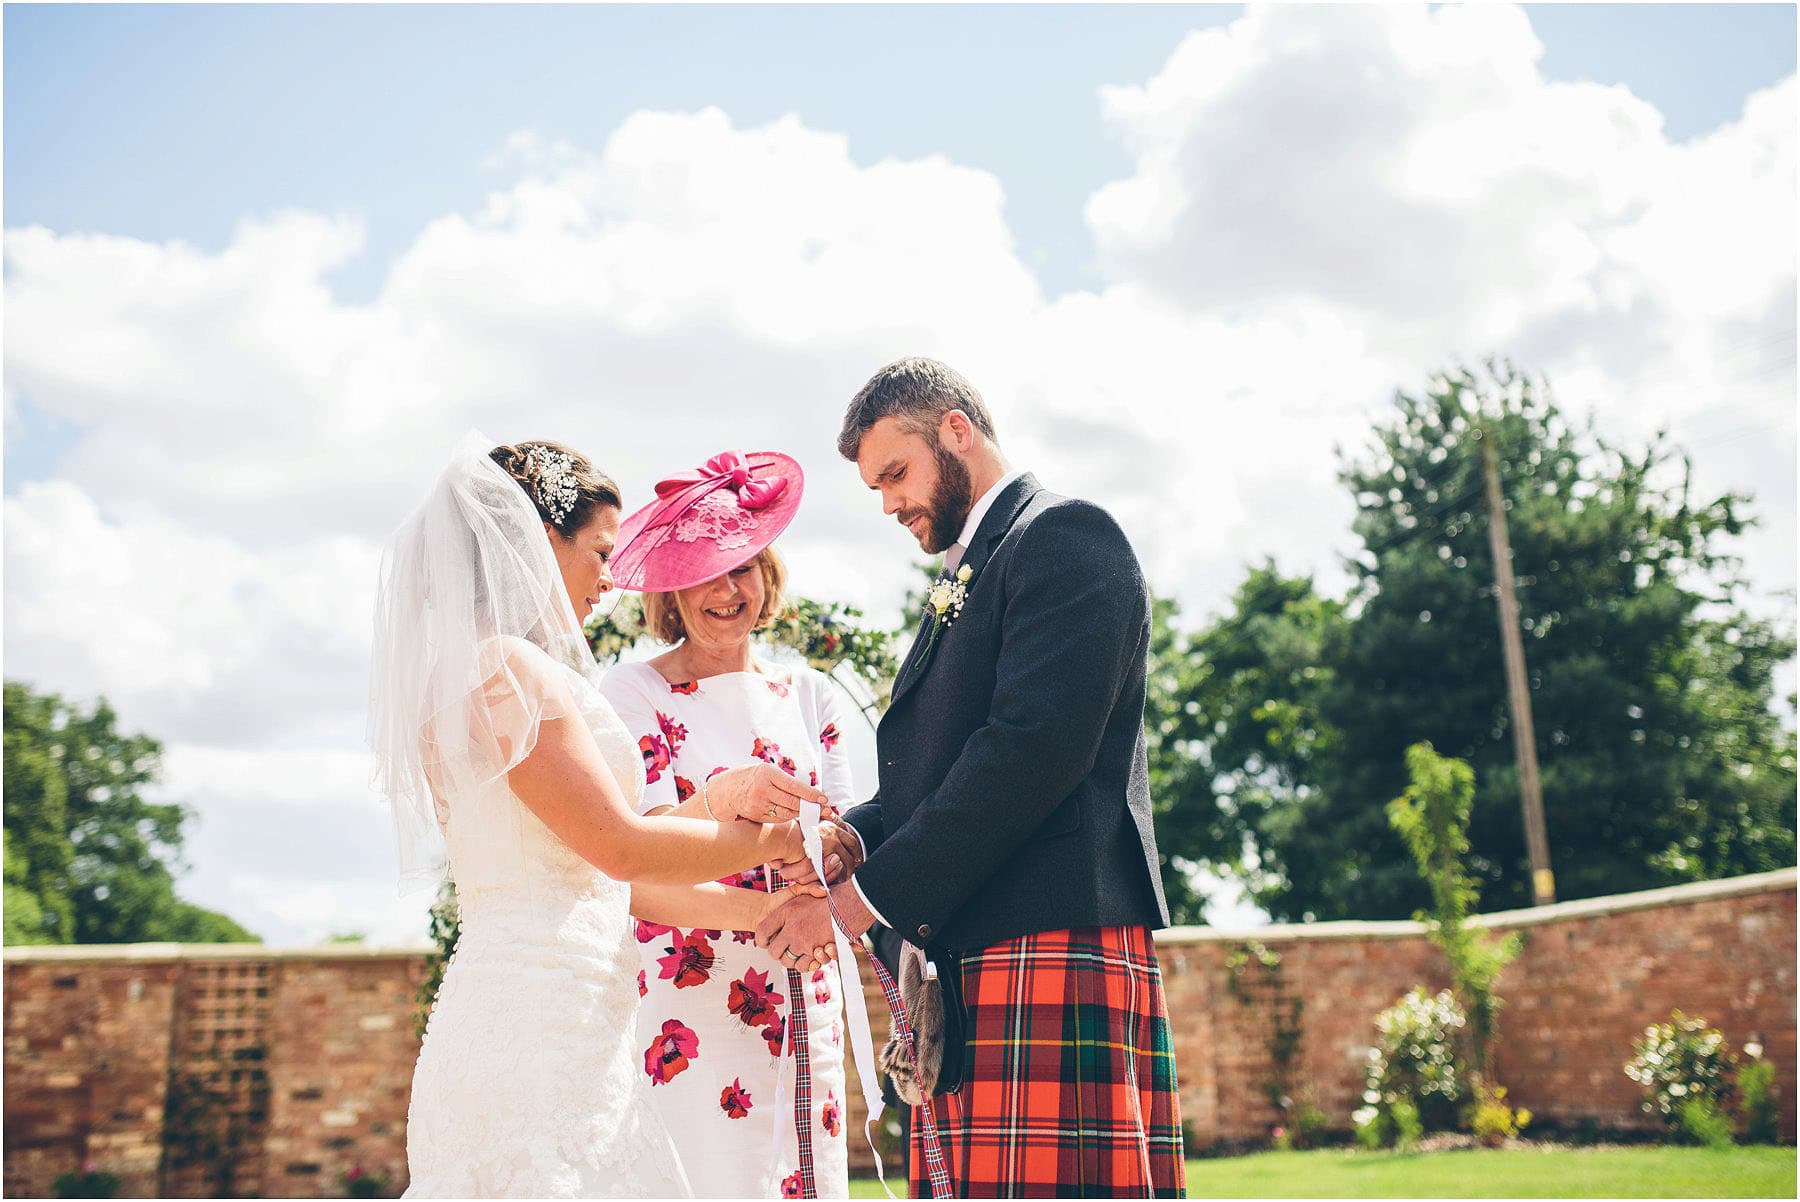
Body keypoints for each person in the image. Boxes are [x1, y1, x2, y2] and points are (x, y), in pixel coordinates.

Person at [757, 359, 1188, 1197]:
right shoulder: (973, 568)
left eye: (895, 473)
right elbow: (943, 772)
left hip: (1049, 936)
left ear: (956, 430)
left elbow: (1029, 753)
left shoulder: (1065, 536)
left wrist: (858, 901)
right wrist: (854, 836)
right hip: (977, 949)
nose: (888, 503)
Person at [369, 435, 834, 1198]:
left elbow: (590, 847)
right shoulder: (503, 672)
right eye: (598, 551)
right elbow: (622, 849)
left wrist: (717, 808)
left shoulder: (474, 674)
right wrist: (783, 840)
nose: (610, 578)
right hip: (538, 1027)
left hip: (562, 1011)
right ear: (538, 540)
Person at [601, 450, 855, 1199]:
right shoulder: (633, 691)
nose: (725, 588)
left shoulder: (812, 696)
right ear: (670, 591)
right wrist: (723, 810)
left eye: (741, 566)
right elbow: (634, 854)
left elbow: (848, 840)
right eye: (704, 570)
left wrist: (823, 880)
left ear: (766, 575)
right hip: (689, 997)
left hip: (804, 984)